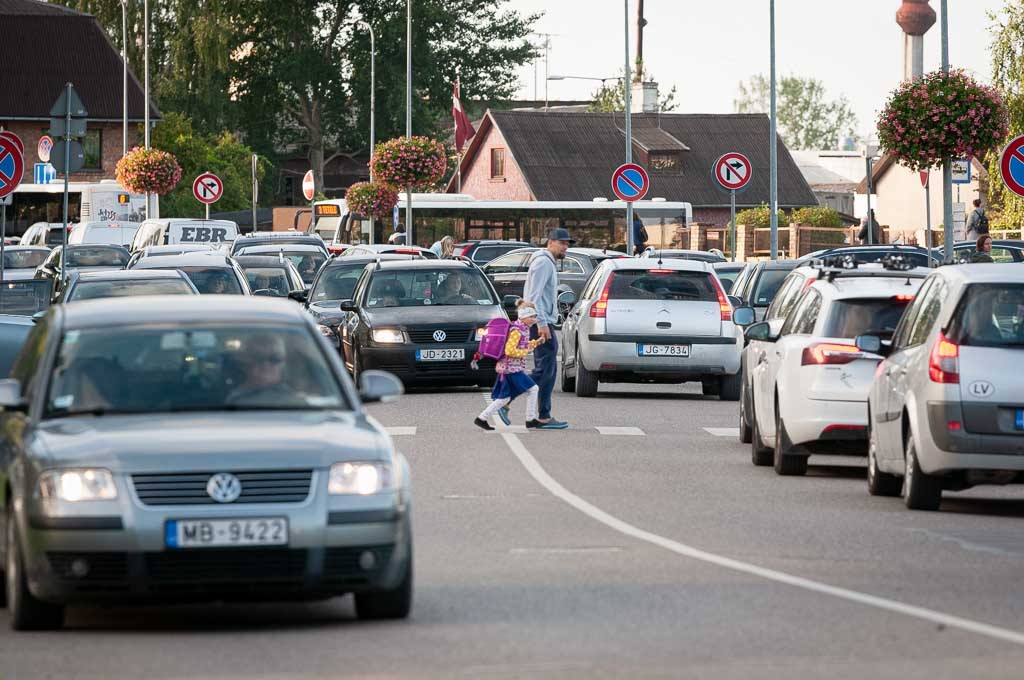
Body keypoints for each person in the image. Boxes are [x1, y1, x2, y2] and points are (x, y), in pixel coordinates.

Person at [521, 227, 573, 430]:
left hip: (541, 321)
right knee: (545, 369)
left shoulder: (546, 262)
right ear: (550, 243)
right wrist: (542, 323)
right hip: (540, 323)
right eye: (562, 243)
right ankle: (507, 395)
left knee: (547, 371)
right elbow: (534, 297)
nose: (565, 247)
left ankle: (542, 415)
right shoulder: (543, 263)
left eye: (567, 243)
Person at [474, 300, 542, 431]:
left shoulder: (522, 328)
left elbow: (523, 345)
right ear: (524, 317)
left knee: (504, 398)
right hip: (512, 369)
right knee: (533, 389)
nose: (535, 319)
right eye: (532, 316)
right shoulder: (517, 331)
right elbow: (509, 350)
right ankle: (530, 419)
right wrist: (525, 351)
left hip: (510, 368)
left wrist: (535, 343)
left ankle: (481, 418)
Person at [226, 334, 305, 406]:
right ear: (245, 362)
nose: (266, 365)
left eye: (275, 359)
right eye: (259, 358)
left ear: (284, 363)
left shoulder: (297, 400)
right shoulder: (234, 400)